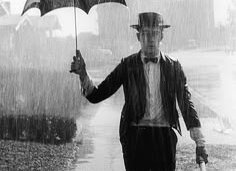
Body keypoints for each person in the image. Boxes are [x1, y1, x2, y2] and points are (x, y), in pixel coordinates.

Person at [71, 12, 208, 171]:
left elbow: (186, 104)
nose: (150, 39)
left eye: (155, 33)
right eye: (145, 34)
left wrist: (200, 142)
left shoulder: (173, 67)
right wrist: (82, 74)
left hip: (164, 138)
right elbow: (97, 95)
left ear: (161, 36)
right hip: (135, 138)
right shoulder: (127, 65)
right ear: (138, 37)